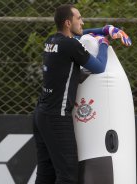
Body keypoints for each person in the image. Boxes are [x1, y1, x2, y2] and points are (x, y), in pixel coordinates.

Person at [33, 4, 131, 184]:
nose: (83, 22)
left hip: (41, 114)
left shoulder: (52, 40)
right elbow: (99, 67)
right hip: (57, 117)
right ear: (68, 23)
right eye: (79, 18)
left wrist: (104, 29)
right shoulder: (71, 46)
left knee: (46, 174)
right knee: (68, 176)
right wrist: (103, 43)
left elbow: (82, 33)